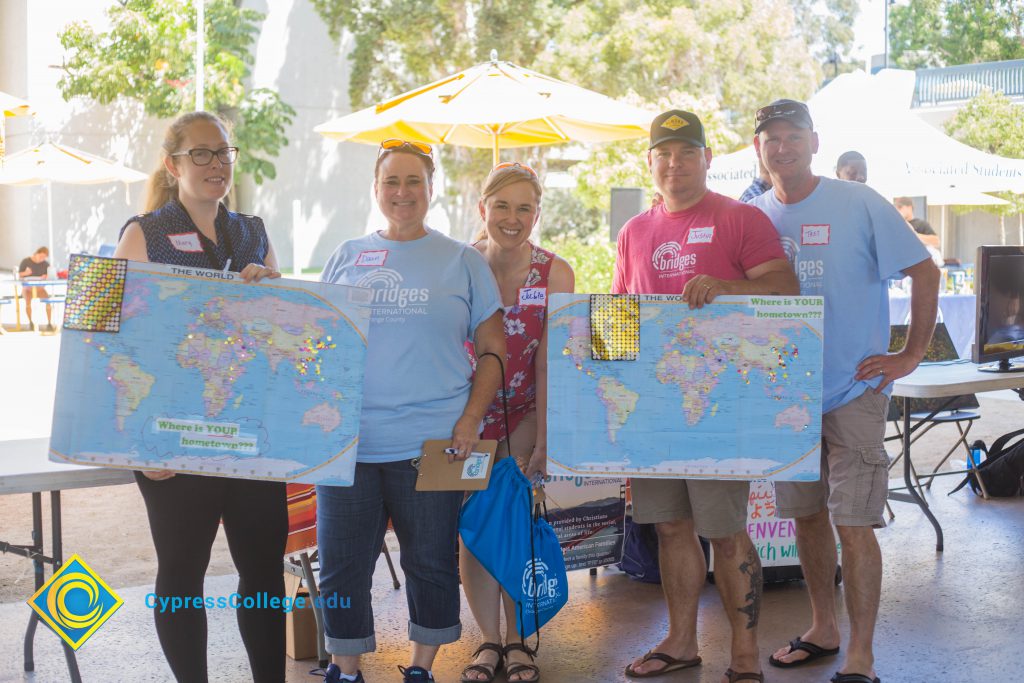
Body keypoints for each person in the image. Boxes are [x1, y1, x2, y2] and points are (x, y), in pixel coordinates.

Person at [749, 98, 939, 683]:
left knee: (853, 524)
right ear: (758, 149)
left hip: (854, 388)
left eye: (792, 136)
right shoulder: (755, 216)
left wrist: (909, 354)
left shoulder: (857, 201)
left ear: (814, 140)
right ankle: (822, 628)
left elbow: (925, 270)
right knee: (806, 521)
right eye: (771, 139)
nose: (783, 148)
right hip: (787, 397)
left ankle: (862, 653)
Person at [616, 109, 799, 683]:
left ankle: (743, 655)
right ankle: (681, 641)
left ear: (707, 158)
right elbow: (620, 317)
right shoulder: (634, 231)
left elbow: (784, 288)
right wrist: (599, 387)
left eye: (686, 152)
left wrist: (727, 286)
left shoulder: (738, 218)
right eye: (663, 154)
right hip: (656, 408)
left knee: (725, 529)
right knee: (670, 528)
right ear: (651, 163)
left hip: (719, 407)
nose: (674, 164)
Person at [315, 139, 507, 683]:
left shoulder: (462, 260)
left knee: (429, 562)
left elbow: (495, 350)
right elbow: (322, 339)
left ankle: (422, 666)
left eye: (414, 181)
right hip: (350, 443)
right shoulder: (347, 255)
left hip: (435, 442)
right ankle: (345, 667)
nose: (403, 193)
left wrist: (471, 420)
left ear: (431, 188)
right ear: (376, 190)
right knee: (342, 566)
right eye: (392, 182)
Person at [113, 110, 288, 683]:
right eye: (201, 154)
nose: (217, 164)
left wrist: (270, 293)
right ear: (173, 164)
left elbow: (282, 335)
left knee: (262, 571)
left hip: (247, 434)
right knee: (183, 573)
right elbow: (108, 334)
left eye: (223, 153)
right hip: (173, 438)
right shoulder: (144, 232)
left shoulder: (253, 232)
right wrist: (139, 444)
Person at [459, 162, 575, 683]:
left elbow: (551, 361)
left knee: (513, 519)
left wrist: (546, 440)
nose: (512, 217)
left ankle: (517, 640)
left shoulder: (555, 271)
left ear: (537, 214)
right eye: (501, 206)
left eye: (524, 207)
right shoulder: (461, 264)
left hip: (524, 412)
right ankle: (486, 639)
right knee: (474, 527)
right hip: (466, 416)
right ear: (483, 209)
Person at [18, 246, 53, 331]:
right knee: (28, 302)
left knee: (48, 302)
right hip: (27, 288)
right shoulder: (26, 261)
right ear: (36, 253)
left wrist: (46, 276)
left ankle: (49, 323)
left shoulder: (45, 264)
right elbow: (19, 275)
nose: (42, 259)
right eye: (41, 256)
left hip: (40, 288)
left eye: (44, 257)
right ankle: (30, 322)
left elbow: (51, 275)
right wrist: (26, 273)